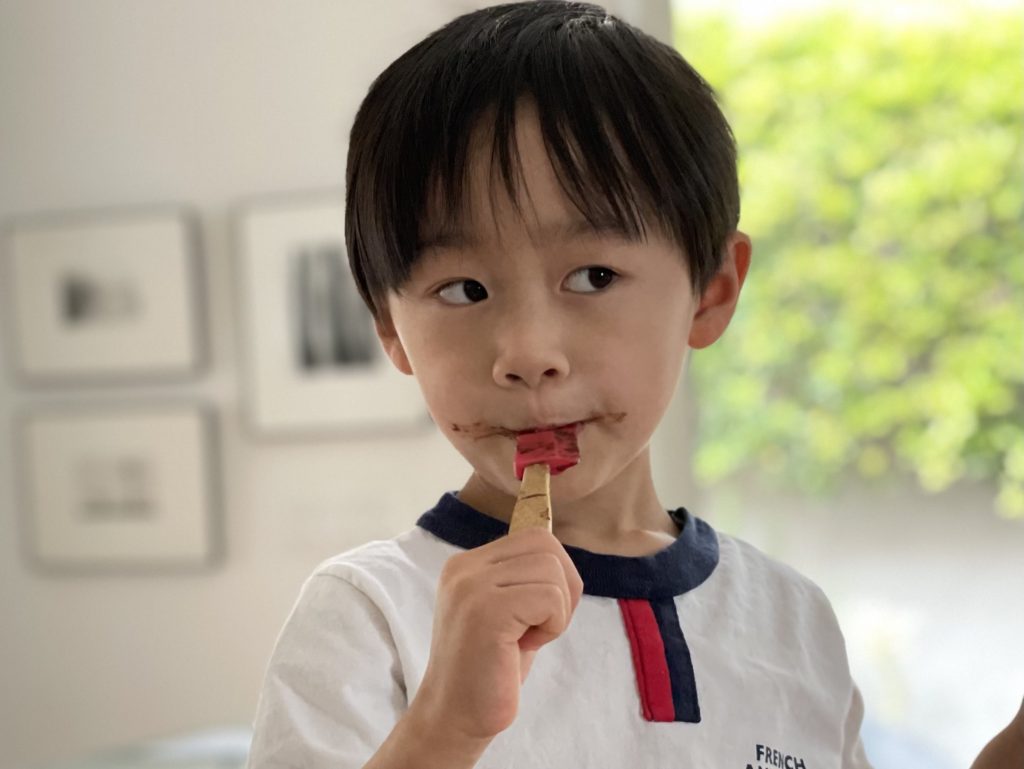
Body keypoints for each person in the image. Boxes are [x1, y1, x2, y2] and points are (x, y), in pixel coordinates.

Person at [246, 3, 1024, 767]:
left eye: (592, 275)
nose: (526, 353)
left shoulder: (794, 620)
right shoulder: (367, 612)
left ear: (712, 291)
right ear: (390, 326)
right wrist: (445, 731)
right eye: (463, 290)